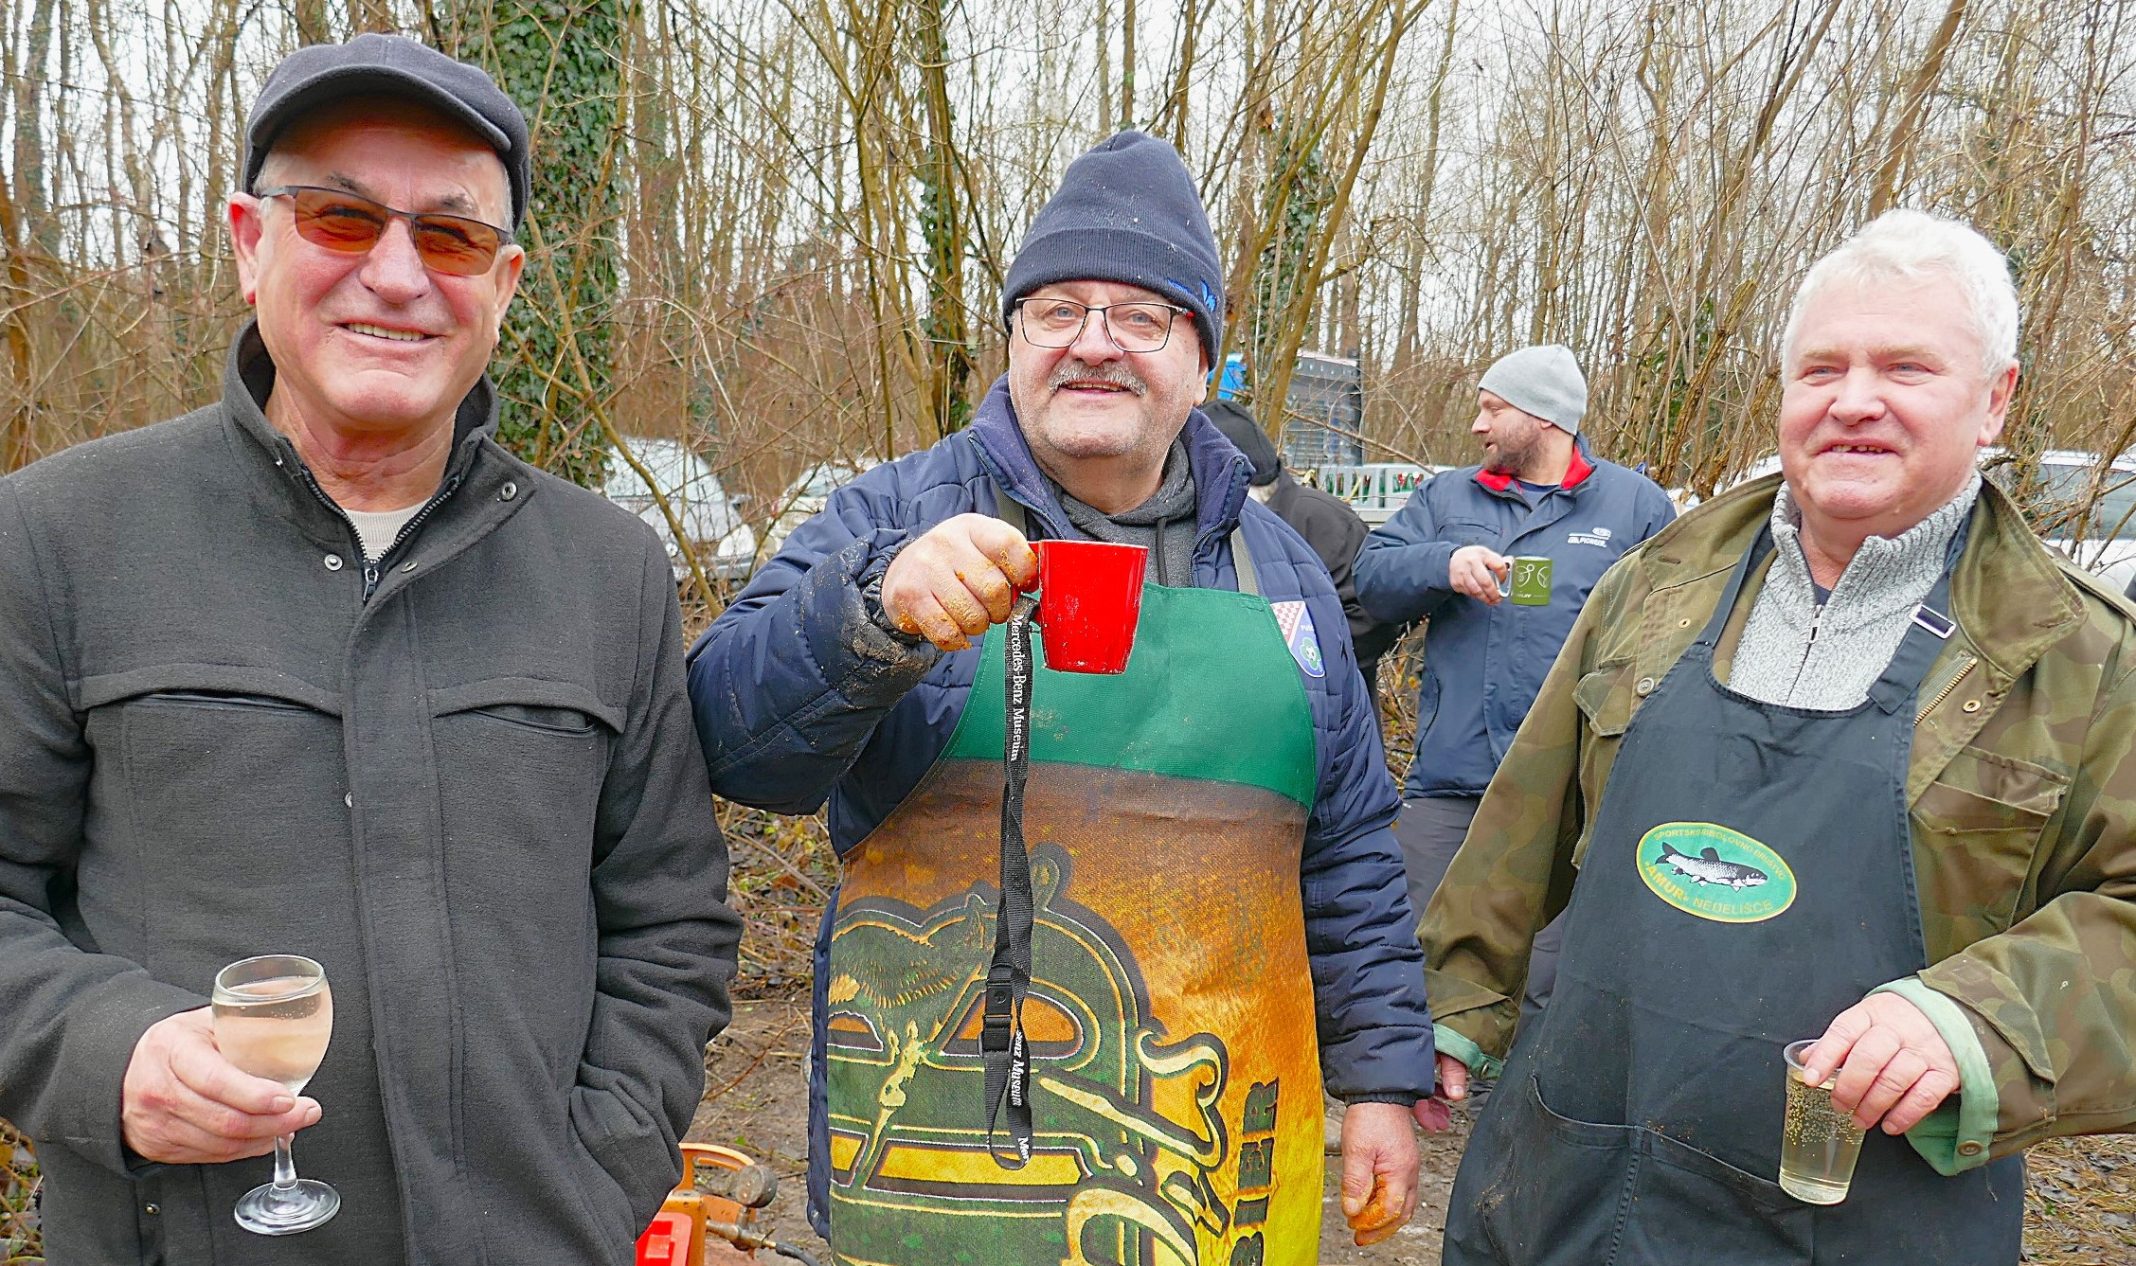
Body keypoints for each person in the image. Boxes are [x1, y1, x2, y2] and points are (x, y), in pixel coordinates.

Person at [0, 35, 739, 1263]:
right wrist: (101, 1052)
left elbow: (671, 922)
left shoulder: (606, 571)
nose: (396, 276)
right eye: (341, 218)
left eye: (449, 237)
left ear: (504, 284)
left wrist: (599, 1175)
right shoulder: (58, 534)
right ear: (249, 243)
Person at [687, 130, 1436, 1260]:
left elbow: (1347, 849)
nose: (1094, 345)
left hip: (1212, 1174)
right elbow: (734, 743)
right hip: (938, 1174)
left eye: (1141, 316)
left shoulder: (1284, 573)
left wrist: (1380, 1074)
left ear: (1202, 359)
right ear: (1012, 340)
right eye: (1057, 310)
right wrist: (871, 613)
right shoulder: (887, 519)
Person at [1422, 209, 2136, 1263]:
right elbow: (1520, 830)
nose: (1854, 401)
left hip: (1861, 1217)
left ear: (1995, 400)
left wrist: (1979, 1020)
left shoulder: (2079, 656)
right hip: (1564, 1189)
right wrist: (1451, 1012)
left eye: (1905, 367)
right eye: (1821, 369)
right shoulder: (1654, 588)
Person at [1352, 345, 1673, 1020]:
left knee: (1549, 981)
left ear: (1545, 418)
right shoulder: (1449, 497)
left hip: (1570, 794)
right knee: (1412, 951)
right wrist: (1443, 562)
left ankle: (1513, 1114)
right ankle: (1416, 1102)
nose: (1478, 424)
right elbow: (1373, 581)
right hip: (1452, 779)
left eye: (1493, 408)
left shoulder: (1634, 505)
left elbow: (1674, 630)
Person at [1205, 397, 1402, 711]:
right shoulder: (1197, 529)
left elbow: (1371, 620)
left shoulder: (1324, 521)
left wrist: (1286, 672)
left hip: (1328, 721)